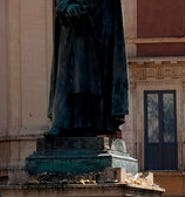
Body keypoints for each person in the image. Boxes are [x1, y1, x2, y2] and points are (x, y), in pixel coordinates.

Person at [48, 0, 129, 137]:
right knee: (67, 73)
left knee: (93, 77)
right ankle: (63, 121)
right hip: (70, 23)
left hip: (99, 22)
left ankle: (92, 123)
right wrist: (65, 6)